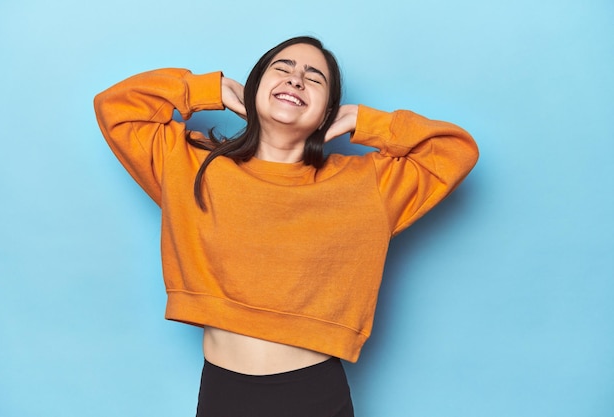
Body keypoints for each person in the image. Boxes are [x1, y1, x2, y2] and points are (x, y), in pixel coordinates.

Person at [94, 35, 479, 417]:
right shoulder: (190, 164)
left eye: (315, 78)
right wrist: (207, 89)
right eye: (282, 68)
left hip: (313, 395)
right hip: (222, 393)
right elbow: (116, 108)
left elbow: (454, 152)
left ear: (329, 110)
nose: (296, 79)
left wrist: (366, 121)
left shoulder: (366, 184)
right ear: (253, 89)